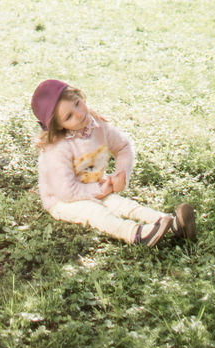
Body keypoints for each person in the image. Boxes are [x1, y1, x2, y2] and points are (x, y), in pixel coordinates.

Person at [31, 78, 196, 247]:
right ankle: (137, 234)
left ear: (79, 96)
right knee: (96, 211)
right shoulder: (57, 148)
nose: (79, 113)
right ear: (58, 126)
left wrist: (121, 174)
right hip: (62, 200)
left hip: (92, 184)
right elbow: (66, 191)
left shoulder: (96, 126)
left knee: (124, 205)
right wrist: (100, 190)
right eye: (69, 116)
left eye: (77, 104)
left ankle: (172, 224)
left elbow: (123, 146)